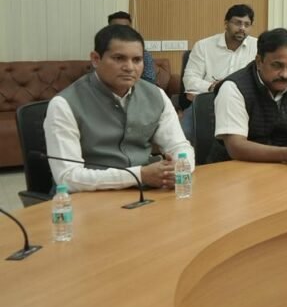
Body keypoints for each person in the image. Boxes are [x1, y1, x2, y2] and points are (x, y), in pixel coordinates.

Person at [43, 24, 193, 192]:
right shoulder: (64, 104)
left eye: (137, 60)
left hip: (144, 193)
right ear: (95, 59)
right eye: (119, 58)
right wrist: (139, 175)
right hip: (87, 197)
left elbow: (180, 146)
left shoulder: (156, 95)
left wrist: (178, 169)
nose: (129, 67)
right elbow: (67, 177)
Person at [209, 28, 287, 167]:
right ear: (259, 61)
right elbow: (236, 146)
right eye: (277, 65)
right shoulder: (233, 87)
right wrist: (286, 155)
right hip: (235, 169)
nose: (285, 74)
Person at [181, 4, 259, 140]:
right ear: (226, 24)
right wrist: (214, 87)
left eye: (247, 24)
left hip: (244, 104)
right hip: (208, 102)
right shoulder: (204, 46)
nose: (242, 28)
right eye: (238, 23)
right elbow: (189, 80)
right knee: (184, 133)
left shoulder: (258, 47)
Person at [107, 11, 157, 84]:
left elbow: (149, 81)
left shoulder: (144, 54)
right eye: (116, 28)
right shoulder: (101, 53)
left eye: (125, 28)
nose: (121, 32)